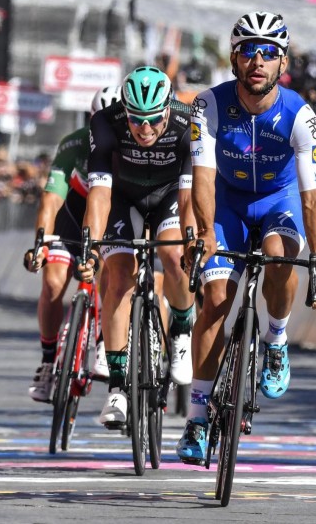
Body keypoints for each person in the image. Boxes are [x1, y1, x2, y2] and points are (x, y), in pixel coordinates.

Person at [177, 11, 316, 464]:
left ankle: (276, 339)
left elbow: (312, 201)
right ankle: (198, 418)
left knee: (281, 256)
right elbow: (202, 180)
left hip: (278, 201)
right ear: (233, 58)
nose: (258, 61)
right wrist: (205, 233)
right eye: (249, 51)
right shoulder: (207, 105)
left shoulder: (302, 117)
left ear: (282, 63)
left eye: (269, 53)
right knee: (215, 300)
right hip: (226, 203)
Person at [79, 66, 196, 427]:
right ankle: (116, 388)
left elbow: (193, 194)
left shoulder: (188, 122)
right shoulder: (105, 122)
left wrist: (192, 238)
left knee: (174, 256)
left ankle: (179, 331)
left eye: (153, 121)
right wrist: (90, 248)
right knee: (118, 278)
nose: (145, 130)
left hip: (171, 195)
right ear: (125, 112)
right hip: (122, 197)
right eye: (136, 121)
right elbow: (98, 194)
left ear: (168, 109)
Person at [23, 86, 122, 402]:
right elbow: (51, 200)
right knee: (52, 283)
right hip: (73, 211)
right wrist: (41, 242)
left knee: (111, 266)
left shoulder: (136, 144)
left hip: (113, 210)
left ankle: (106, 342)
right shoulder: (75, 143)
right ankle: (49, 362)